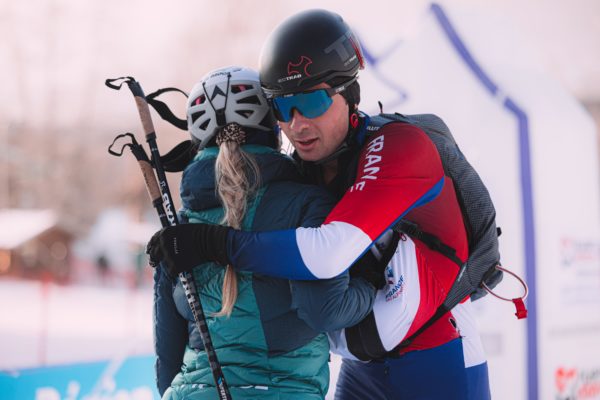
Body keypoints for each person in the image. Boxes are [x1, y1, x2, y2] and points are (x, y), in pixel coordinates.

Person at [148, 9, 498, 400]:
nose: (297, 124)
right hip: (363, 365)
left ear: (350, 94)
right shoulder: (303, 170)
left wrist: (212, 243)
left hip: (438, 351)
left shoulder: (401, 146)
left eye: (312, 101)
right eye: (282, 107)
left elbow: (327, 254)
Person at [151, 65, 377, 400]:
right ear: (273, 127)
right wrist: (370, 284)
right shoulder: (308, 203)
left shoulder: (178, 227)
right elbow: (325, 309)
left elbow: (167, 356)